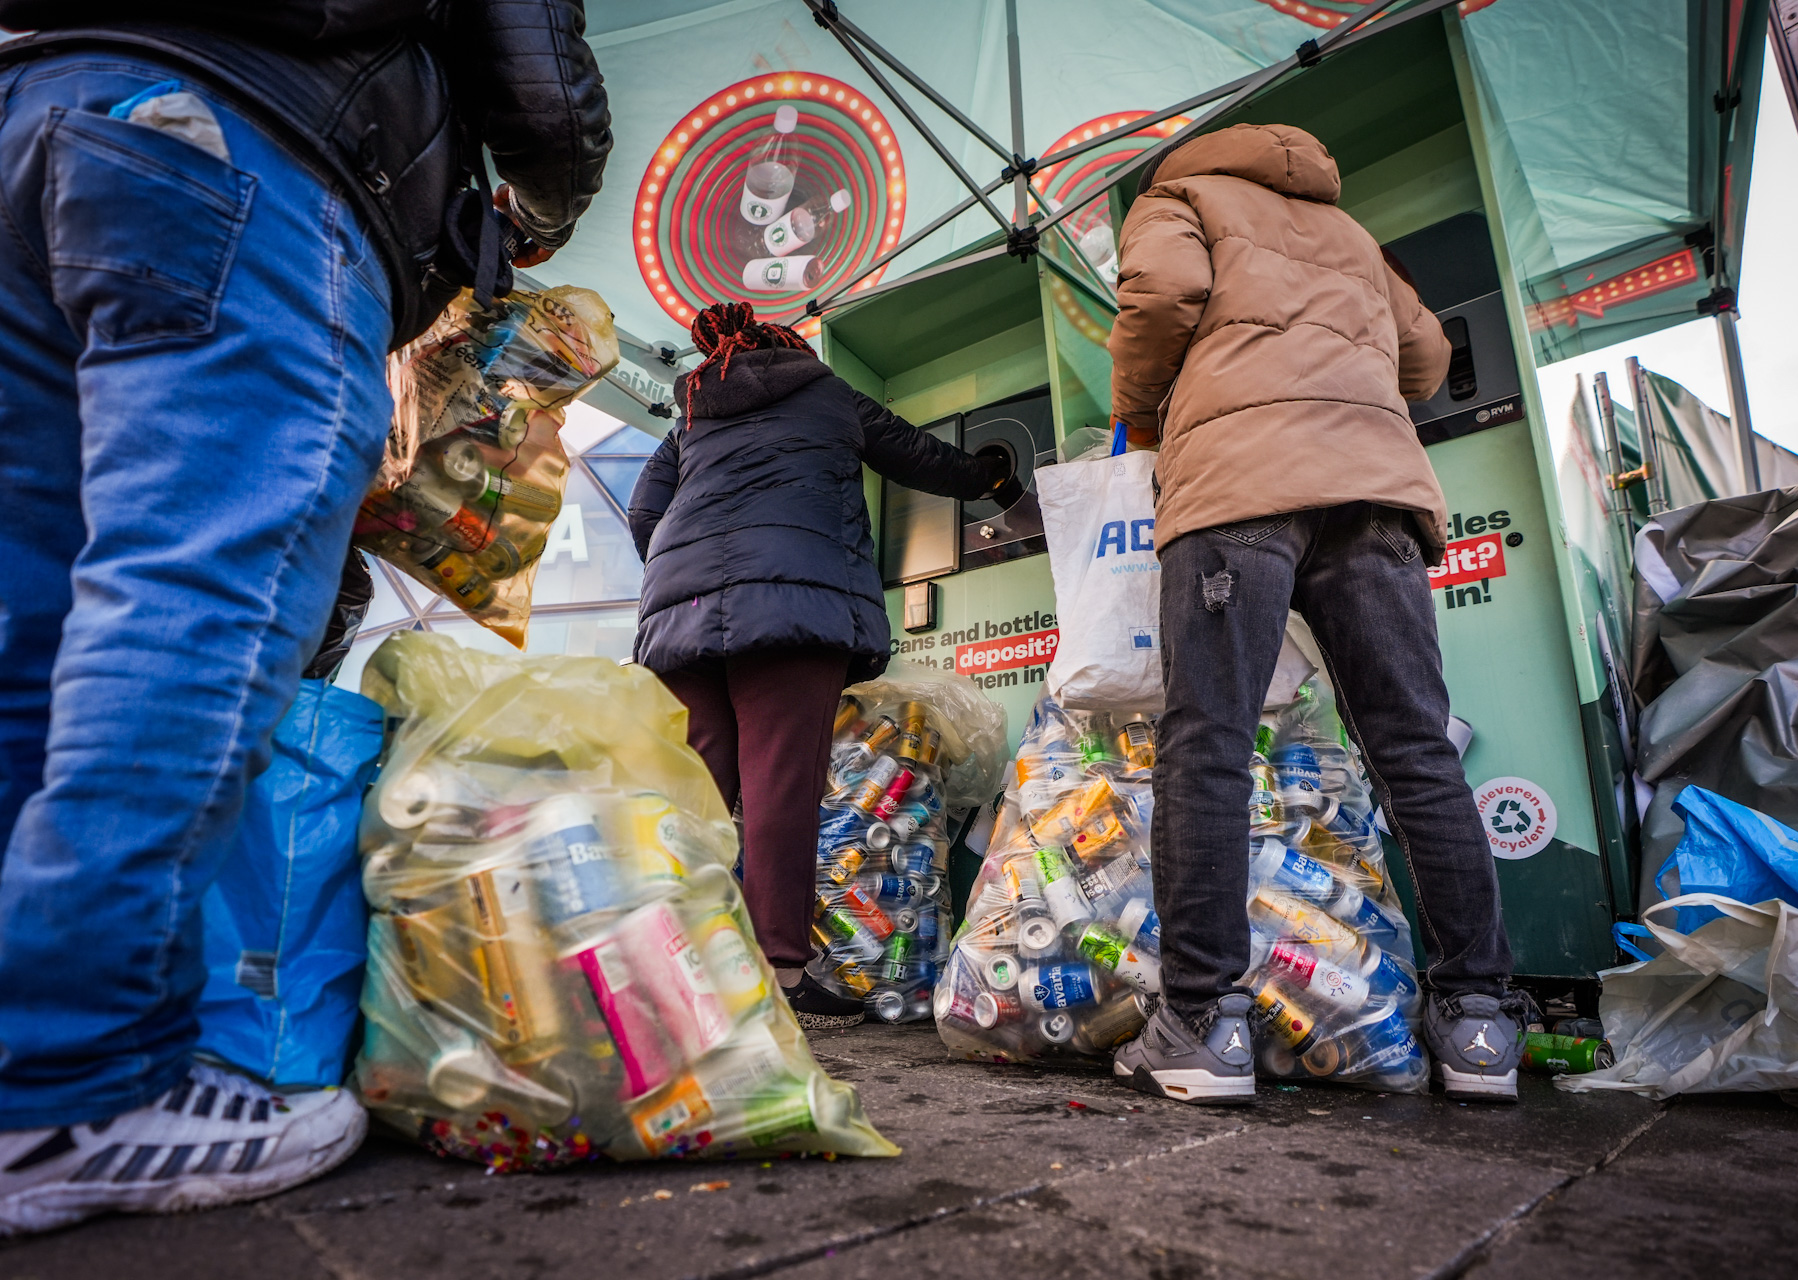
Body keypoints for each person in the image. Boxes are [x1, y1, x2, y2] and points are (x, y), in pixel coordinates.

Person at [0, 0, 610, 1234]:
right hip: (241, 141)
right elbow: (542, 81)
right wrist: (537, 209)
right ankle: (73, 1083)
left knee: (30, 622)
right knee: (195, 602)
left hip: (30, 105)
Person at [1103, 123, 1528, 1104]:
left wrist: (1141, 412)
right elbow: (1426, 357)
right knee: (1415, 749)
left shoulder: (1177, 200)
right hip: (1375, 492)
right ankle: (1479, 1025)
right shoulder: (1350, 233)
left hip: (1237, 484)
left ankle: (1202, 1024)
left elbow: (1162, 298)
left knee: (1209, 743)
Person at [629, 302, 1016, 1030]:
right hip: (793, 606)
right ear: (791, 349)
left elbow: (644, 515)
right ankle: (778, 970)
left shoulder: (692, 415)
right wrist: (991, 475)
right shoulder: (827, 392)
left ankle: (665, 959)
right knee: (780, 784)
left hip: (681, 613)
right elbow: (919, 456)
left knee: (695, 791)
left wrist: (688, 570)